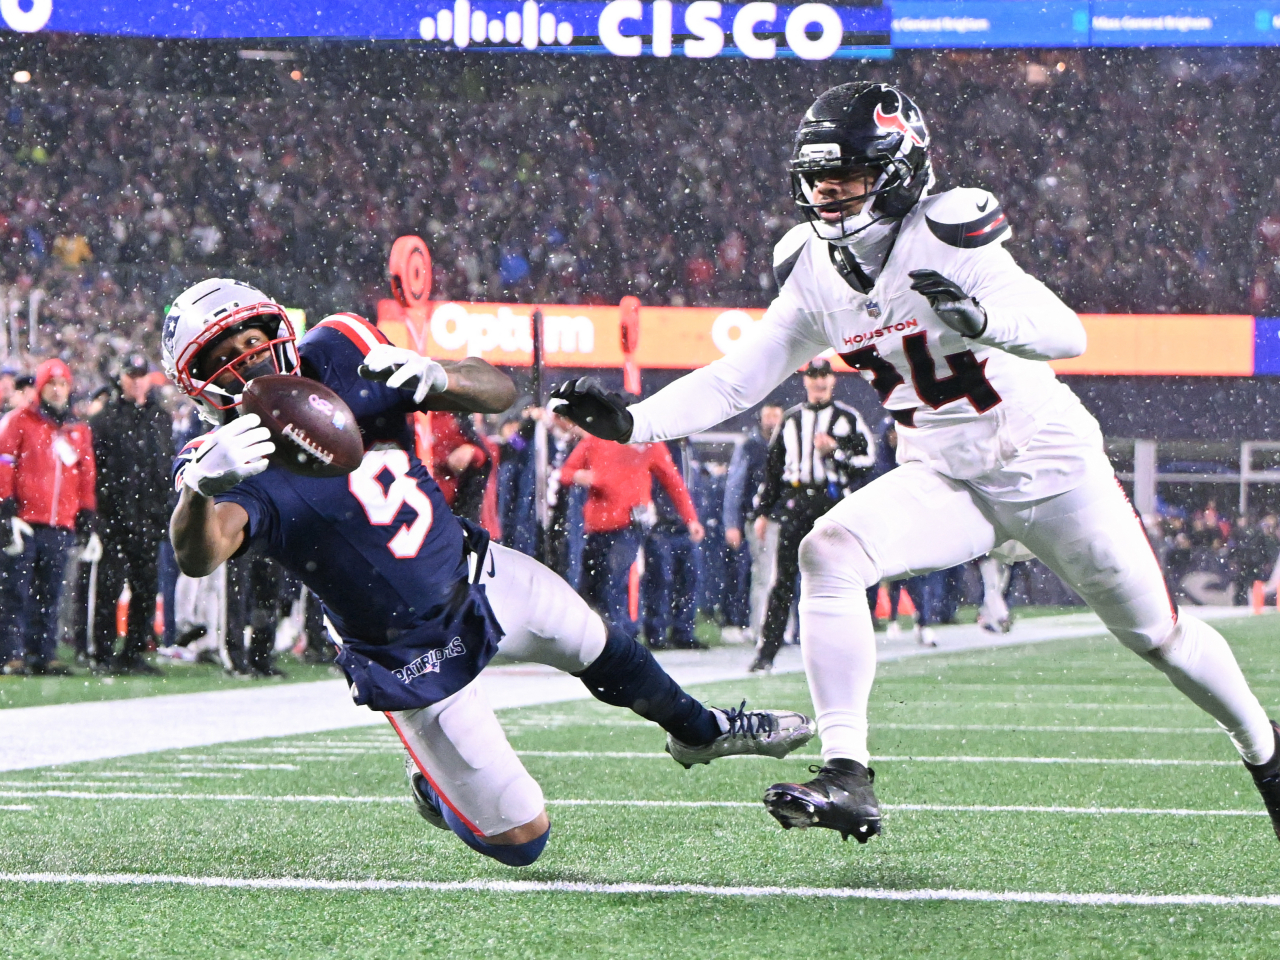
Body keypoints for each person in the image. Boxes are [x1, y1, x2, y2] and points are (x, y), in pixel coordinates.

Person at [551, 81, 1280, 845]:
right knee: (827, 552)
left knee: (1160, 639)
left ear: (899, 169)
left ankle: (1263, 748)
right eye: (819, 180)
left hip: (1048, 468)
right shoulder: (812, 269)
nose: (830, 195)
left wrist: (989, 319)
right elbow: (740, 378)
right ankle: (848, 775)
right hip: (946, 477)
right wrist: (634, 424)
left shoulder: (948, 232)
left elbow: (1068, 335)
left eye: (850, 177)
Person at [162, 279, 812, 868]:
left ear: (277, 326)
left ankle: (703, 733)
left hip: (474, 570)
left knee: (602, 644)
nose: (247, 357)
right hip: (402, 650)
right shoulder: (215, 454)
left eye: (252, 337)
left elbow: (498, 390)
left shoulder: (338, 345)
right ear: (199, 382)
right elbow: (200, 553)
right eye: (224, 355)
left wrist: (434, 375)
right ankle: (437, 788)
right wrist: (199, 489)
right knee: (523, 839)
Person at [747, 359, 876, 673]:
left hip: (833, 505)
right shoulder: (790, 420)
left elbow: (867, 462)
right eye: (813, 376)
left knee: (837, 579)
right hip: (797, 503)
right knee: (783, 580)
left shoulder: (847, 417)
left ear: (832, 380)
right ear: (805, 381)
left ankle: (842, 651)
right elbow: (774, 470)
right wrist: (763, 512)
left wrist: (835, 452)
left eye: (824, 376)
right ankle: (767, 653)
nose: (819, 382)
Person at [558, 421, 704, 644]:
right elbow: (566, 472)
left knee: (614, 579)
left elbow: (673, 482)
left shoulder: (646, 444)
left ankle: (618, 637)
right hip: (598, 525)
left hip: (628, 523)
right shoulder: (597, 439)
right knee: (595, 584)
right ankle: (609, 636)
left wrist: (690, 518)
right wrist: (579, 475)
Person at [0, 358, 96, 676]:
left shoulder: (77, 430)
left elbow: (86, 475)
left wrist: (87, 513)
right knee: (16, 590)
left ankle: (44, 653)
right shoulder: (19, 421)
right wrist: (6, 506)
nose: (58, 389)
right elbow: (4, 462)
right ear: (41, 388)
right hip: (25, 521)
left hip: (60, 522)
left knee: (50, 592)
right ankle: (12, 654)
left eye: (63, 383)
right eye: (52, 383)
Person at [88, 353, 173, 674]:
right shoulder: (104, 420)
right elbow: (95, 472)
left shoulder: (160, 419)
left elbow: (164, 469)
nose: (136, 380)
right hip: (113, 517)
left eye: (141, 374)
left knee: (146, 586)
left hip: (148, 518)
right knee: (109, 587)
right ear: (120, 378)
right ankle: (103, 653)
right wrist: (99, 514)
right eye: (131, 374)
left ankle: (134, 651)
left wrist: (162, 511)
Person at [722, 403, 784, 646]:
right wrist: (732, 522)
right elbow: (735, 486)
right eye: (768, 416)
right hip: (759, 517)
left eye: (775, 416)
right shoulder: (750, 446)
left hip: (782, 517)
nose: (771, 421)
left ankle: (779, 628)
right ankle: (762, 627)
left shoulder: (788, 444)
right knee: (766, 574)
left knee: (778, 574)